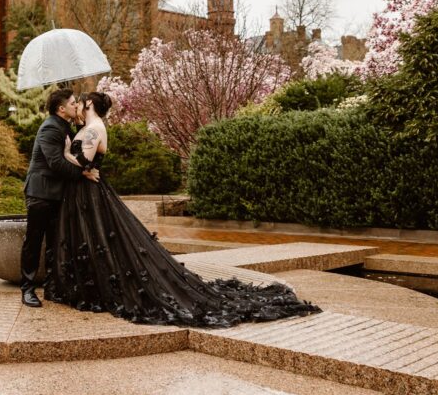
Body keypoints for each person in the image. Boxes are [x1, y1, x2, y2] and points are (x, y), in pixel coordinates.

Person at [45, 91, 320, 327]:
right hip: (83, 192)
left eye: (81, 102)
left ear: (90, 105)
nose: (78, 105)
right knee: (93, 241)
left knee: (103, 240)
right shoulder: (89, 127)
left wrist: (68, 151)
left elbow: (82, 161)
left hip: (90, 194)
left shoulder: (94, 129)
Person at [20, 88, 99, 308]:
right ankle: (27, 290)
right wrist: (83, 174)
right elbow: (55, 163)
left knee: (55, 242)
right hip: (40, 193)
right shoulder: (49, 128)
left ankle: (52, 286)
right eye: (74, 103)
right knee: (34, 242)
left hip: (57, 194)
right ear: (61, 108)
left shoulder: (65, 126)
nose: (77, 105)